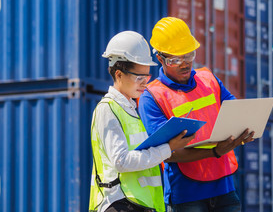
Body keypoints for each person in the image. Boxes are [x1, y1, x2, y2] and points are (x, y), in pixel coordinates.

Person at [138, 17, 255, 212]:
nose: (184, 64)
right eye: (175, 59)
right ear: (160, 58)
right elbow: (167, 153)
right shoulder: (152, 97)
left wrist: (245, 129)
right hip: (186, 196)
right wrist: (215, 152)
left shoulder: (208, 79)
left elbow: (235, 111)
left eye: (189, 55)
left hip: (224, 188)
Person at [88, 31, 195, 212]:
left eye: (147, 77)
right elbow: (121, 161)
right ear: (119, 75)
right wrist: (167, 148)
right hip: (119, 202)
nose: (145, 83)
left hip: (138, 203)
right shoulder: (108, 109)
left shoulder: (130, 110)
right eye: (139, 78)